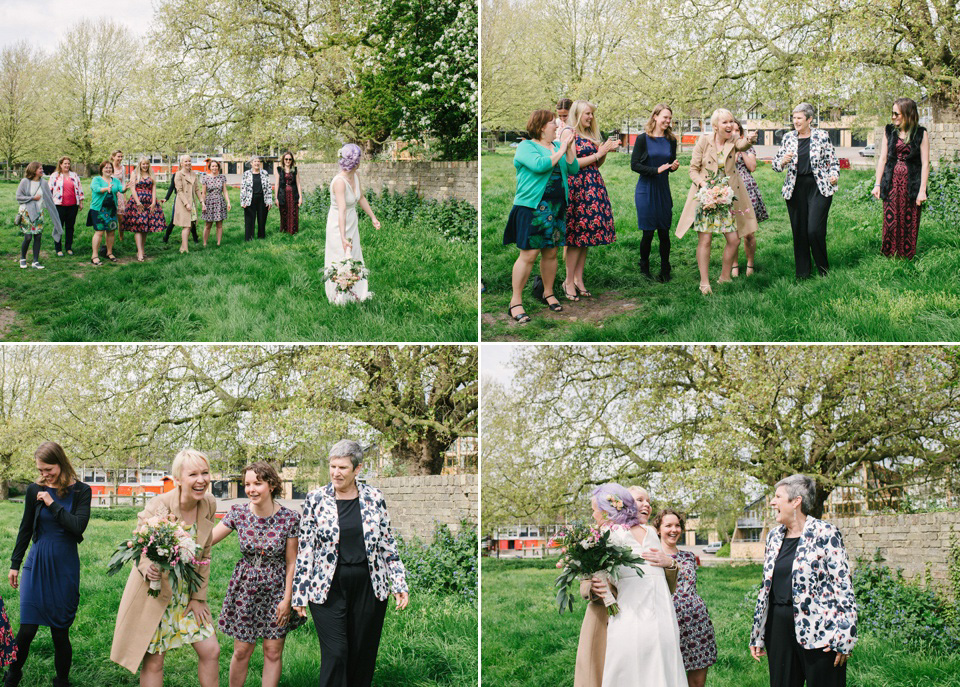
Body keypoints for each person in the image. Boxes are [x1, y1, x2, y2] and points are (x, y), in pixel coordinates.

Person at [292, 440, 409, 687]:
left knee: (362, 655)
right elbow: (305, 550)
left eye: (343, 467)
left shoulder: (375, 498)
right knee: (336, 654)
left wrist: (399, 582)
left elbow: (388, 544)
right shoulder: (316, 499)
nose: (336, 473)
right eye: (333, 466)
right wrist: (299, 594)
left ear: (357, 469)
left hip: (369, 587)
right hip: (327, 588)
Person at [111, 449, 220, 687]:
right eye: (193, 474)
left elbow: (205, 554)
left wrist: (198, 598)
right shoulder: (159, 506)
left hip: (187, 593)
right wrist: (148, 567)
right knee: (154, 662)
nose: (201, 480)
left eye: (205, 472)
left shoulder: (209, 503)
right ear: (178, 480)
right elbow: (141, 546)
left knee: (211, 650)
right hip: (158, 593)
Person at [749, 474, 857, 687]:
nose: (772, 502)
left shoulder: (825, 533)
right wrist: (757, 633)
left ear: (796, 501)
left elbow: (842, 586)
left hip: (821, 630)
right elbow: (766, 589)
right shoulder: (773, 537)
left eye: (778, 497)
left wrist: (845, 636)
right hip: (778, 628)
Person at [211, 462, 304, 687]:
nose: (251, 489)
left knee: (273, 651)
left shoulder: (290, 518)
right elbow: (207, 540)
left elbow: (292, 562)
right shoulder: (238, 513)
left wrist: (287, 598)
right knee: (242, 650)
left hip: (277, 588)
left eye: (257, 483)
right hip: (245, 587)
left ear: (271, 485)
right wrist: (172, 537)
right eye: (247, 484)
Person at [6, 442, 91, 687]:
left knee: (59, 632)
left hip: (64, 566)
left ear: (61, 463)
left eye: (48, 469)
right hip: (37, 562)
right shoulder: (34, 490)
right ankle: (12, 676)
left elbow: (77, 527)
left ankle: (62, 681)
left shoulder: (82, 491)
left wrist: (51, 504)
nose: (44, 475)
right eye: (40, 470)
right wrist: (15, 563)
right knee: (27, 629)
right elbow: (25, 528)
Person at [587, 484, 686, 687]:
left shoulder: (607, 536)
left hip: (630, 615)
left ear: (608, 510)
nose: (593, 513)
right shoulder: (650, 532)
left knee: (628, 673)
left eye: (595, 509)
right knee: (662, 671)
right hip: (664, 617)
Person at [503, 109, 579, 323]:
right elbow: (540, 165)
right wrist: (563, 146)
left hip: (556, 207)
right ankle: (515, 302)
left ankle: (548, 292)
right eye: (552, 123)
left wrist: (569, 147)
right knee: (529, 254)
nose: (557, 126)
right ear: (541, 126)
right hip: (532, 207)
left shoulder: (556, 146)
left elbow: (572, 169)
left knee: (551, 253)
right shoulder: (525, 147)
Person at [677, 108, 759, 294]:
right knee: (705, 240)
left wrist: (750, 140)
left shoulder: (733, 140)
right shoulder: (704, 141)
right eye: (725, 122)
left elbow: (742, 145)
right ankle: (704, 282)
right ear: (715, 127)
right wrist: (703, 186)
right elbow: (693, 169)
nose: (730, 125)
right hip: (706, 198)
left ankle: (724, 277)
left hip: (727, 198)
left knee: (734, 240)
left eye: (731, 121)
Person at [772, 103, 840, 279]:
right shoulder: (788, 138)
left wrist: (833, 175)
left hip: (818, 187)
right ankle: (803, 273)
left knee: (814, 230)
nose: (795, 121)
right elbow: (775, 164)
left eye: (799, 118)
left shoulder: (822, 136)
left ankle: (823, 269)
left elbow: (833, 161)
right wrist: (783, 162)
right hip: (795, 188)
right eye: (793, 118)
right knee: (799, 231)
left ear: (809, 119)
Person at [562, 100, 619, 301]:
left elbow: (597, 163)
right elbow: (572, 164)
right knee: (576, 237)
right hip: (578, 188)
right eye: (587, 114)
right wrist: (598, 153)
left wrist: (604, 152)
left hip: (593, 187)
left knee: (586, 237)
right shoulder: (569, 133)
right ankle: (568, 281)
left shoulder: (588, 134)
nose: (591, 117)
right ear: (577, 114)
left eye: (592, 114)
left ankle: (579, 279)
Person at [653, 509, 717, 687]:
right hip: (667, 622)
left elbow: (689, 579)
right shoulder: (652, 557)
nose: (674, 529)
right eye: (668, 525)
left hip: (696, 624)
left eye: (677, 525)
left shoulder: (688, 556)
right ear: (658, 529)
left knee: (697, 682)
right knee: (668, 678)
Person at [324, 144, 381, 304]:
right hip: (338, 224)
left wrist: (373, 217)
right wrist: (342, 237)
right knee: (340, 258)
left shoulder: (355, 176)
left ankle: (356, 292)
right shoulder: (339, 182)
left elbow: (360, 198)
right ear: (355, 160)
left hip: (352, 222)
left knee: (354, 255)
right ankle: (339, 296)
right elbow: (341, 210)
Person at [873, 97, 929, 259]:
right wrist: (877, 184)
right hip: (890, 183)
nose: (893, 117)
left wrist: (922, 191)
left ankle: (907, 256)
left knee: (909, 219)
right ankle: (889, 254)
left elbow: (925, 164)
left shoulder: (920, 133)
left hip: (912, 184)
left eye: (896, 113)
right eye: (892, 113)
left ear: (907, 113)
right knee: (890, 220)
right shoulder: (889, 131)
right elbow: (883, 159)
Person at [632, 104, 680, 282]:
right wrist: (655, 170)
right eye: (665, 117)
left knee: (664, 231)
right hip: (646, 189)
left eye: (670, 118)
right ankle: (644, 266)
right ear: (655, 117)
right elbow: (634, 165)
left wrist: (673, 167)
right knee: (648, 232)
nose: (668, 121)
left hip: (663, 189)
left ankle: (665, 268)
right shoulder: (643, 139)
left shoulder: (671, 140)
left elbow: (670, 164)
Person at [731, 119, 768, 277]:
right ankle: (733, 265)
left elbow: (752, 167)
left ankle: (750, 264)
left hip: (747, 189)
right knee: (732, 232)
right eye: (730, 130)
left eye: (736, 131)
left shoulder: (749, 148)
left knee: (748, 232)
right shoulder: (725, 147)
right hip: (730, 191)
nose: (733, 133)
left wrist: (743, 149)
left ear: (741, 132)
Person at [15, 162, 62, 270]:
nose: (42, 170)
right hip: (26, 212)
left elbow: (48, 198)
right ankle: (23, 258)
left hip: (39, 213)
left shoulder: (44, 183)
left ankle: (35, 261)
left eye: (42, 168)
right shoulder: (24, 182)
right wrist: (32, 198)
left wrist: (53, 211)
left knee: (38, 237)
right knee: (28, 237)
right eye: (40, 169)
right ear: (33, 170)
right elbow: (19, 197)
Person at [123, 156, 167, 262]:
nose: (145, 166)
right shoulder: (134, 174)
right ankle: (139, 252)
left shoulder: (151, 174)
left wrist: (153, 203)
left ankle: (142, 250)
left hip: (149, 202)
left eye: (147, 164)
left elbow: (154, 188)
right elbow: (132, 188)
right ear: (140, 164)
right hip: (137, 202)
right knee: (138, 226)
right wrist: (138, 202)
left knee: (145, 226)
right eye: (143, 164)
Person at [88, 160, 123, 266]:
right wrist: (106, 189)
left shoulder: (115, 181)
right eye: (106, 168)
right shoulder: (96, 179)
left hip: (111, 210)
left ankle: (109, 253)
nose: (108, 169)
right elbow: (96, 189)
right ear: (101, 169)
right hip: (98, 209)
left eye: (110, 167)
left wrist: (126, 188)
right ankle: (94, 256)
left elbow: (121, 189)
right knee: (99, 232)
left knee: (111, 232)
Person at [48, 156, 83, 256]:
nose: (67, 165)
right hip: (59, 205)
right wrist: (49, 205)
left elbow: (79, 188)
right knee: (58, 227)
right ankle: (58, 249)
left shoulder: (74, 175)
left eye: (68, 163)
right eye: (65, 164)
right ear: (60, 164)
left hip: (72, 205)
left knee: (70, 227)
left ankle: (68, 247)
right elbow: (49, 190)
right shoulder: (55, 176)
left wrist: (81, 202)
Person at [173, 155, 205, 254]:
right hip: (183, 203)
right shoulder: (178, 174)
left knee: (190, 225)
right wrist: (186, 203)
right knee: (186, 226)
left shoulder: (193, 174)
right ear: (181, 163)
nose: (188, 163)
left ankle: (182, 247)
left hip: (192, 203)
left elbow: (197, 189)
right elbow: (179, 191)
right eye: (186, 161)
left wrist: (202, 202)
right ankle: (186, 250)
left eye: (189, 161)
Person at [240, 156, 273, 241]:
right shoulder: (246, 174)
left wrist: (269, 201)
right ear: (251, 163)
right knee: (249, 220)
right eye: (255, 161)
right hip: (250, 199)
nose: (257, 163)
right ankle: (249, 238)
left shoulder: (264, 173)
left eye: (258, 161)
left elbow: (269, 187)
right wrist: (243, 201)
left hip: (262, 198)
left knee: (262, 219)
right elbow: (243, 188)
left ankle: (261, 237)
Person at [200, 160, 230, 247]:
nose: (214, 168)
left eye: (216, 166)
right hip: (209, 202)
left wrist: (228, 202)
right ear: (209, 167)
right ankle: (205, 243)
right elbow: (204, 192)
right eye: (212, 166)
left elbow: (225, 191)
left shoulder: (222, 177)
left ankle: (218, 243)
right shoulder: (205, 178)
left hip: (220, 201)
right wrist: (203, 204)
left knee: (219, 224)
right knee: (208, 224)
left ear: (218, 167)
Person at [275, 151, 302, 235]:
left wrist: (301, 197)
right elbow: (276, 184)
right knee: (284, 212)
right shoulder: (279, 170)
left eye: (290, 159)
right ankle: (284, 231)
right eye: (286, 159)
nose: (288, 161)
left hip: (293, 194)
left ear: (292, 160)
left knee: (293, 212)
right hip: (283, 194)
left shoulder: (295, 170)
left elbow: (298, 184)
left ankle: (293, 231)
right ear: (283, 160)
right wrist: (276, 198)